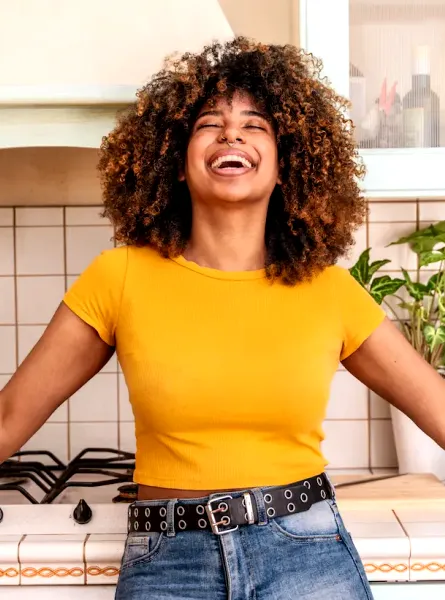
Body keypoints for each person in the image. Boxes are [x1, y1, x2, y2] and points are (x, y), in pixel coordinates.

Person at [1, 37, 444, 600]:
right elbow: (11, 414)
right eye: (209, 123)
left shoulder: (330, 291)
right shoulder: (119, 277)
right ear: (177, 164)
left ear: (288, 167)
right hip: (168, 562)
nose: (231, 133)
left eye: (255, 125)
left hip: (306, 553)